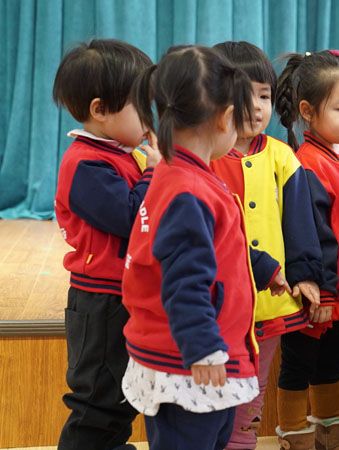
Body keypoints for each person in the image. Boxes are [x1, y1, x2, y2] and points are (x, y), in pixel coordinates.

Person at [120, 45, 288, 450]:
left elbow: (215, 248)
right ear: (227, 118)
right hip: (190, 363)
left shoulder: (178, 173)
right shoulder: (189, 191)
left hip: (189, 358)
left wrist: (262, 268)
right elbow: (185, 280)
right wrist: (203, 348)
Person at [209, 40, 335, 450]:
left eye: (264, 94)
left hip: (271, 299)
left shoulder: (283, 157)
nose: (257, 106)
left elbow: (301, 223)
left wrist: (306, 276)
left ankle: (241, 443)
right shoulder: (204, 156)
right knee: (213, 382)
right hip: (216, 300)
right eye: (244, 96)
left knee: (254, 383)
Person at [52, 38, 158, 450]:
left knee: (121, 396)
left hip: (122, 296)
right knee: (97, 400)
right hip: (100, 303)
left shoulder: (119, 154)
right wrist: (153, 174)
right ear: (99, 110)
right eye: (142, 106)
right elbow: (131, 218)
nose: (151, 118)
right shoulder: (85, 163)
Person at [272, 49, 339, 450]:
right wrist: (322, 289)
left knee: (331, 365)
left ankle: (330, 436)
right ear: (308, 111)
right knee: (299, 366)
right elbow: (311, 236)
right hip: (317, 294)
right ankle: (295, 437)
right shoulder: (307, 164)